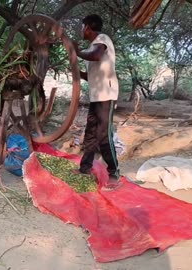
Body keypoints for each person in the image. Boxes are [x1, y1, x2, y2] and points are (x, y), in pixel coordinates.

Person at [73, 14, 121, 191]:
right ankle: (85, 168)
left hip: (106, 95)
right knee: (91, 133)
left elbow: (96, 56)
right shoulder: (92, 47)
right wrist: (76, 71)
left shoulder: (102, 40)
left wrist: (77, 52)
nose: (81, 30)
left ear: (87, 27)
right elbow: (91, 75)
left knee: (103, 135)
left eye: (82, 26)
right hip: (96, 96)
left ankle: (114, 173)